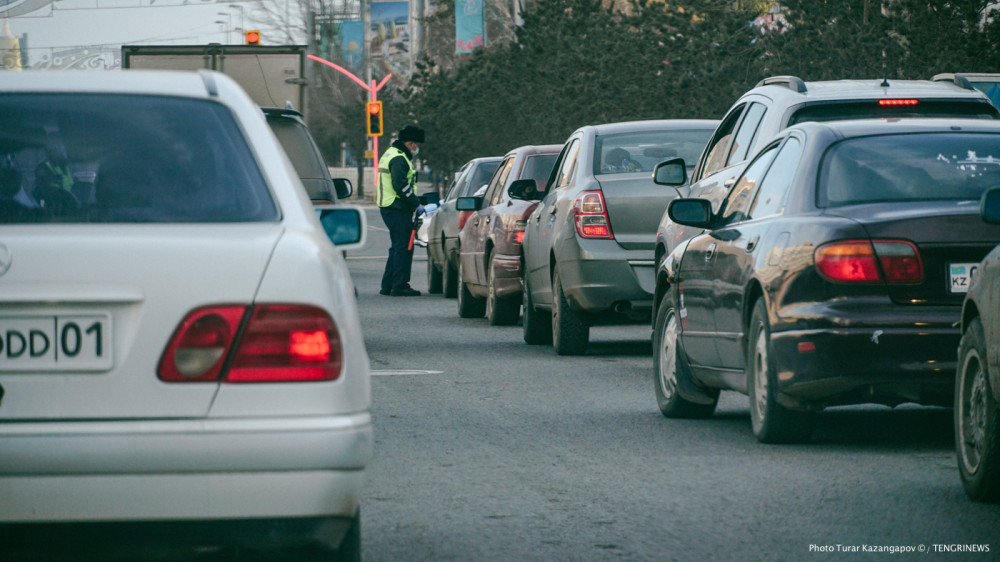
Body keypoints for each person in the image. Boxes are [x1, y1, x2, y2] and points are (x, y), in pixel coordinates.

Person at [377, 125, 426, 296]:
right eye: (417, 145)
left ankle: (388, 285)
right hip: (397, 207)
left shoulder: (392, 153)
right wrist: (415, 204)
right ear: (410, 143)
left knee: (397, 246)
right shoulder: (399, 159)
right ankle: (400, 285)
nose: (417, 148)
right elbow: (401, 185)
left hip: (390, 206)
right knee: (404, 246)